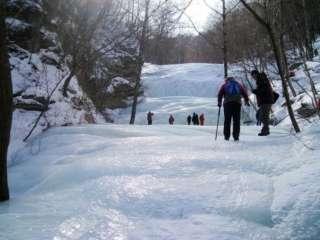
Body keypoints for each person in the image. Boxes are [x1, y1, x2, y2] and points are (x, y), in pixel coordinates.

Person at [218, 77, 249, 141]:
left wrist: (219, 102)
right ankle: (236, 136)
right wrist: (246, 100)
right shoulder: (238, 84)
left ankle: (226, 136)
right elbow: (244, 93)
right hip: (237, 103)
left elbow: (220, 94)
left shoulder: (225, 85)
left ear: (227, 80)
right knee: (236, 120)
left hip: (227, 104)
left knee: (227, 120)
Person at [251, 70, 274, 136]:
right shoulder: (261, 79)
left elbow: (264, 90)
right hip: (265, 101)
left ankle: (265, 131)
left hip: (266, 100)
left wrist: (255, 91)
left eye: (253, 76)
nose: (253, 77)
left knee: (264, 116)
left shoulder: (261, 79)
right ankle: (266, 130)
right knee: (260, 115)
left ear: (255, 74)